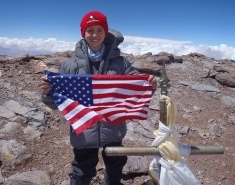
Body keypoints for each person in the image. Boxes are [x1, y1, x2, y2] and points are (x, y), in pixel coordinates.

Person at [41, 10, 157, 185]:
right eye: (90, 30)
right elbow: (56, 102)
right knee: (81, 172)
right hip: (84, 132)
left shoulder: (121, 63)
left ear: (105, 32)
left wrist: (149, 85)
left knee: (115, 169)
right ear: (83, 33)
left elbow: (136, 87)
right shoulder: (68, 65)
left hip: (113, 129)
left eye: (99, 30)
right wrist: (48, 92)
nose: (95, 35)